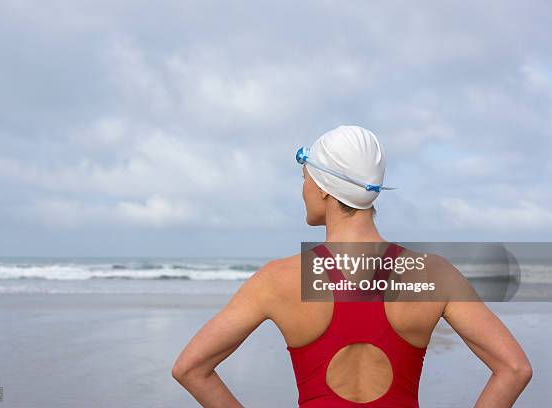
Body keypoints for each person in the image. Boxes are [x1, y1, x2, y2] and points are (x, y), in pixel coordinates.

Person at [172, 125, 532, 407]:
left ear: (326, 188)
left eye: (305, 178)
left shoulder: (277, 280)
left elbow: (190, 369)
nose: (303, 190)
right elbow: (514, 369)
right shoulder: (434, 274)